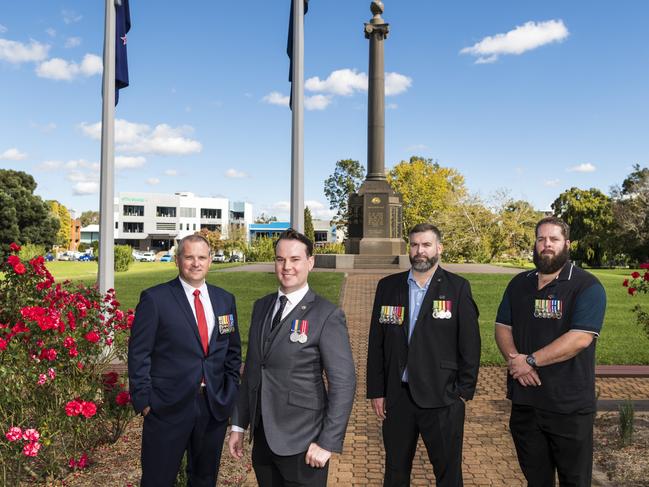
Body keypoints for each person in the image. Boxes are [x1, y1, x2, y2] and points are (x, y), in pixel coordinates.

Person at [229, 229, 356, 487]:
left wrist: (327, 442)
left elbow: (343, 382)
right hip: (264, 440)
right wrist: (239, 425)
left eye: (295, 259)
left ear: (310, 262)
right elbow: (253, 369)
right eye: (280, 259)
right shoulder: (261, 306)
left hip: (304, 443)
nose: (287, 266)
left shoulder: (327, 315)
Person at [494, 216, 607, 486]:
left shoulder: (586, 286)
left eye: (554, 239)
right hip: (526, 404)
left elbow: (580, 338)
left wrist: (530, 360)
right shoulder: (519, 284)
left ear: (567, 244)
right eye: (541, 239)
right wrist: (516, 362)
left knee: (575, 481)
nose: (546, 245)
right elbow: (502, 327)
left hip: (568, 407)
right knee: (537, 481)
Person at [367, 223, 481, 487]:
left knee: (448, 474)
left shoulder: (458, 288)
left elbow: (470, 344)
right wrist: (377, 390)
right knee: (395, 472)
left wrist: (463, 391)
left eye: (426, 245)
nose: (420, 251)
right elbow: (377, 342)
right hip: (398, 398)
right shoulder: (388, 287)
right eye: (415, 244)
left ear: (439, 248)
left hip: (442, 398)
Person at [128, 234, 241, 486]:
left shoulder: (225, 300)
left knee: (204, 479)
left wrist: (229, 391)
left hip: (211, 408)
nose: (195, 263)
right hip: (166, 407)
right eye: (189, 257)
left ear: (210, 260)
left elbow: (232, 352)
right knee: (158, 479)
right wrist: (144, 400)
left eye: (201, 257)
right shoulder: (156, 299)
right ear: (177, 260)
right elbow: (139, 353)